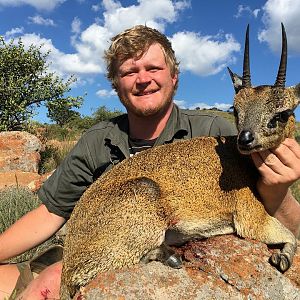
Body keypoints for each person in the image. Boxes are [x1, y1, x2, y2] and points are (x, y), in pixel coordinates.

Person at [0, 25, 299, 300]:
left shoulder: (221, 136)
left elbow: (274, 218)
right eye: (130, 71)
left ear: (174, 76)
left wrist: (280, 188)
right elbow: (50, 213)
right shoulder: (96, 140)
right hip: (92, 247)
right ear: (116, 83)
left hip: (106, 258)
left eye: (153, 67)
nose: (143, 79)